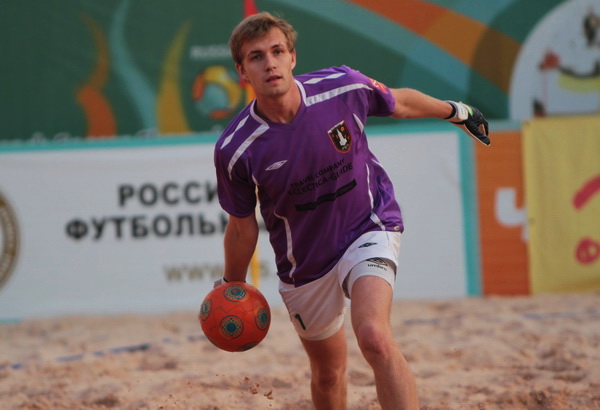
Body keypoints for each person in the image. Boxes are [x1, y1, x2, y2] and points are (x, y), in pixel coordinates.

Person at [213, 11, 490, 410]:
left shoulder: (342, 87)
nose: (270, 63)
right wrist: (232, 287)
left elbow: (400, 102)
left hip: (368, 226)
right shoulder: (235, 148)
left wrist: (457, 111)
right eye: (257, 57)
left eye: (277, 51)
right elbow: (241, 228)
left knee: (374, 337)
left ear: (293, 57)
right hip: (305, 263)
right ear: (242, 72)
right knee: (328, 374)